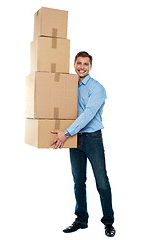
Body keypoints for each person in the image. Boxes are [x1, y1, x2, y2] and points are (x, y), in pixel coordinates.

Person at [50, 51, 116, 237]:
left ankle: (108, 222)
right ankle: (81, 219)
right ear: (74, 64)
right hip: (74, 139)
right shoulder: (69, 85)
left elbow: (87, 115)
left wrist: (66, 132)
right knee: (78, 181)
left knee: (102, 182)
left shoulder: (98, 88)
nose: (82, 67)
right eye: (79, 63)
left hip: (92, 138)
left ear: (91, 66)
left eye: (85, 64)